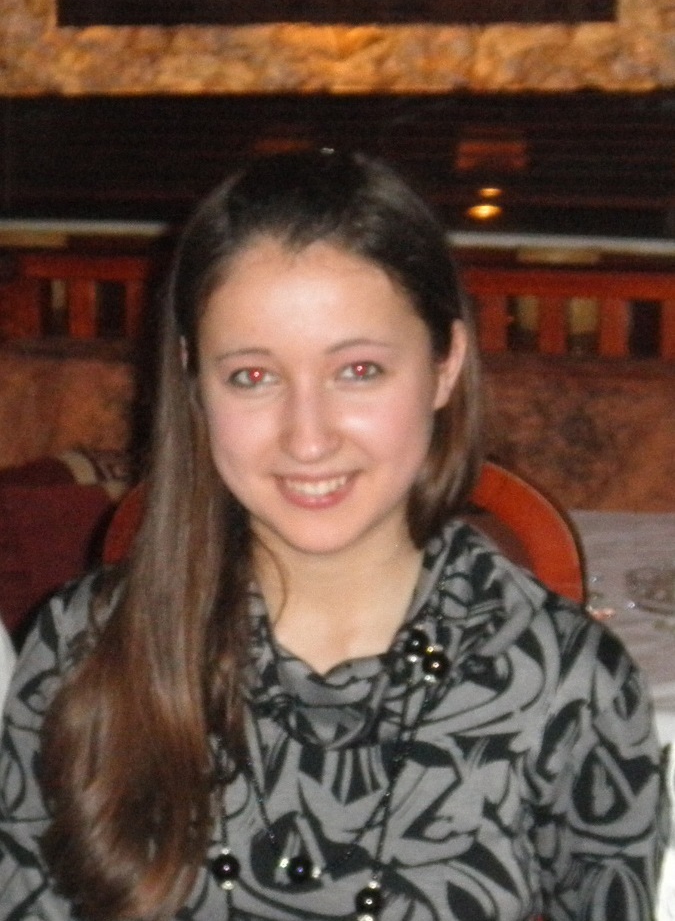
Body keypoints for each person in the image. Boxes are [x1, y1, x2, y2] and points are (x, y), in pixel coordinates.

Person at [0, 150, 667, 921]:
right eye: (253, 376)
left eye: (358, 370)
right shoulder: (83, 647)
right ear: (194, 382)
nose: (307, 438)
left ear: (444, 364)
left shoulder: (567, 684)